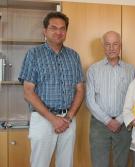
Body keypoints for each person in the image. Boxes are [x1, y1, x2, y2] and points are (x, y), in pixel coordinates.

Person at [18, 12, 85, 167]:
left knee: (66, 163)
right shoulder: (33, 54)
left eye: (62, 28)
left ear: (66, 32)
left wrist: (68, 118)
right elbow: (28, 92)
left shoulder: (73, 56)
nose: (58, 32)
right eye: (53, 28)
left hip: (68, 119)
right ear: (45, 31)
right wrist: (53, 119)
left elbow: (80, 90)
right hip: (42, 119)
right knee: (39, 164)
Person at [86, 31, 135, 167]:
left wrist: (120, 120)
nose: (111, 48)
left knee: (122, 163)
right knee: (99, 164)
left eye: (115, 44)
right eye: (107, 44)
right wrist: (107, 120)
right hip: (99, 124)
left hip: (124, 124)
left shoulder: (131, 70)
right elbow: (89, 100)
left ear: (120, 46)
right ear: (103, 46)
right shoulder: (93, 70)